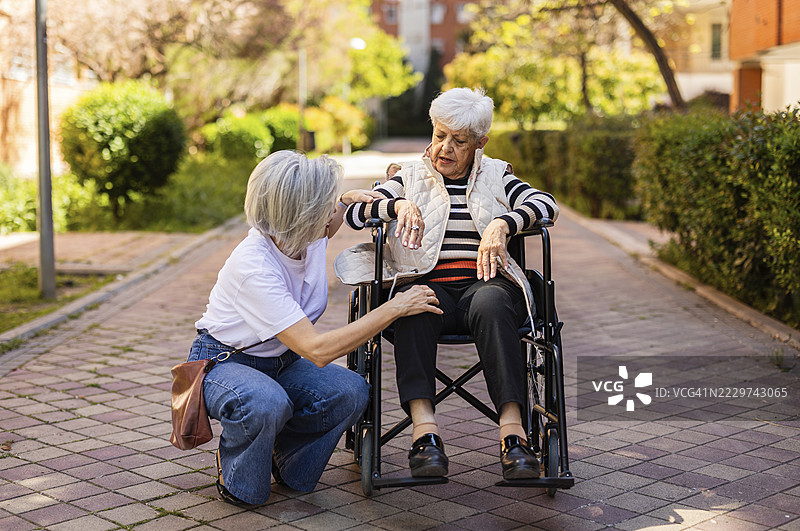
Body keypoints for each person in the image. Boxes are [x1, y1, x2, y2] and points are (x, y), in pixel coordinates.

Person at [188, 150, 443, 507]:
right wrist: (395, 307)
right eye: (325, 205)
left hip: (282, 361)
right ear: (299, 215)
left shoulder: (304, 237)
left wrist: (346, 198)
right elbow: (318, 350)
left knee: (350, 391)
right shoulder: (254, 267)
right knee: (265, 404)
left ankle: (284, 457)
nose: (332, 213)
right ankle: (237, 477)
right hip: (227, 364)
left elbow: (338, 213)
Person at [335, 88, 559, 480]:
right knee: (412, 302)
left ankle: (514, 436)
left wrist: (503, 223)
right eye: (440, 135)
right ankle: (425, 435)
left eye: (459, 141)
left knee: (493, 303)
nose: (444, 148)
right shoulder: (409, 176)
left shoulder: (497, 175)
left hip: (486, 285)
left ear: (480, 144)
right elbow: (357, 213)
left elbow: (546, 205)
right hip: (427, 286)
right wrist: (397, 204)